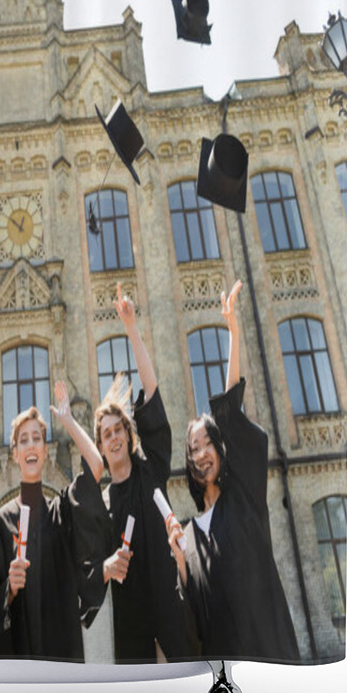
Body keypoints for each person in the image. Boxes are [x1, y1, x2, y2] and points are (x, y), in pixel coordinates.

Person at [165, 281, 300, 661]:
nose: (203, 452)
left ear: (222, 452)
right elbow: (192, 625)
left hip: (269, 660)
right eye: (195, 448)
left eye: (210, 443)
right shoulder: (188, 535)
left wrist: (234, 335)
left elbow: (229, 414)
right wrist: (179, 562)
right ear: (188, 463)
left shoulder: (244, 500)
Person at [94, 284, 197, 663]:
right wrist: (106, 569)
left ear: (128, 434)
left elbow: (152, 393)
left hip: (173, 614)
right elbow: (90, 572)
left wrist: (131, 328)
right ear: (101, 447)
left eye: (118, 429)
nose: (114, 437)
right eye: (106, 434)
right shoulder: (103, 506)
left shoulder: (150, 470)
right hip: (132, 630)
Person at [0, 382, 109, 661]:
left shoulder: (62, 511)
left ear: (44, 449)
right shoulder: (0, 526)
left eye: (37, 438)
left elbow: (96, 464)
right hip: (20, 663)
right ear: (14, 453)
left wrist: (67, 420)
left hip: (62, 654)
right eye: (23, 439)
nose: (31, 445)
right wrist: (10, 590)